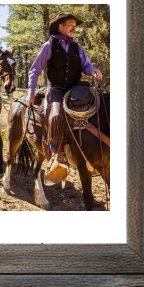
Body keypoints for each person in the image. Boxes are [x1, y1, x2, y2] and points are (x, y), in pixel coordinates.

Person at [25, 12, 103, 184]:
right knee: (56, 115)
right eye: (70, 24)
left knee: (98, 106)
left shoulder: (78, 47)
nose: (74, 27)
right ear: (60, 26)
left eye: (75, 25)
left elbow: (86, 65)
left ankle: (92, 151)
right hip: (58, 89)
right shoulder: (49, 46)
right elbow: (35, 69)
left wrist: (93, 71)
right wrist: (31, 92)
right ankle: (56, 155)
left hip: (77, 88)